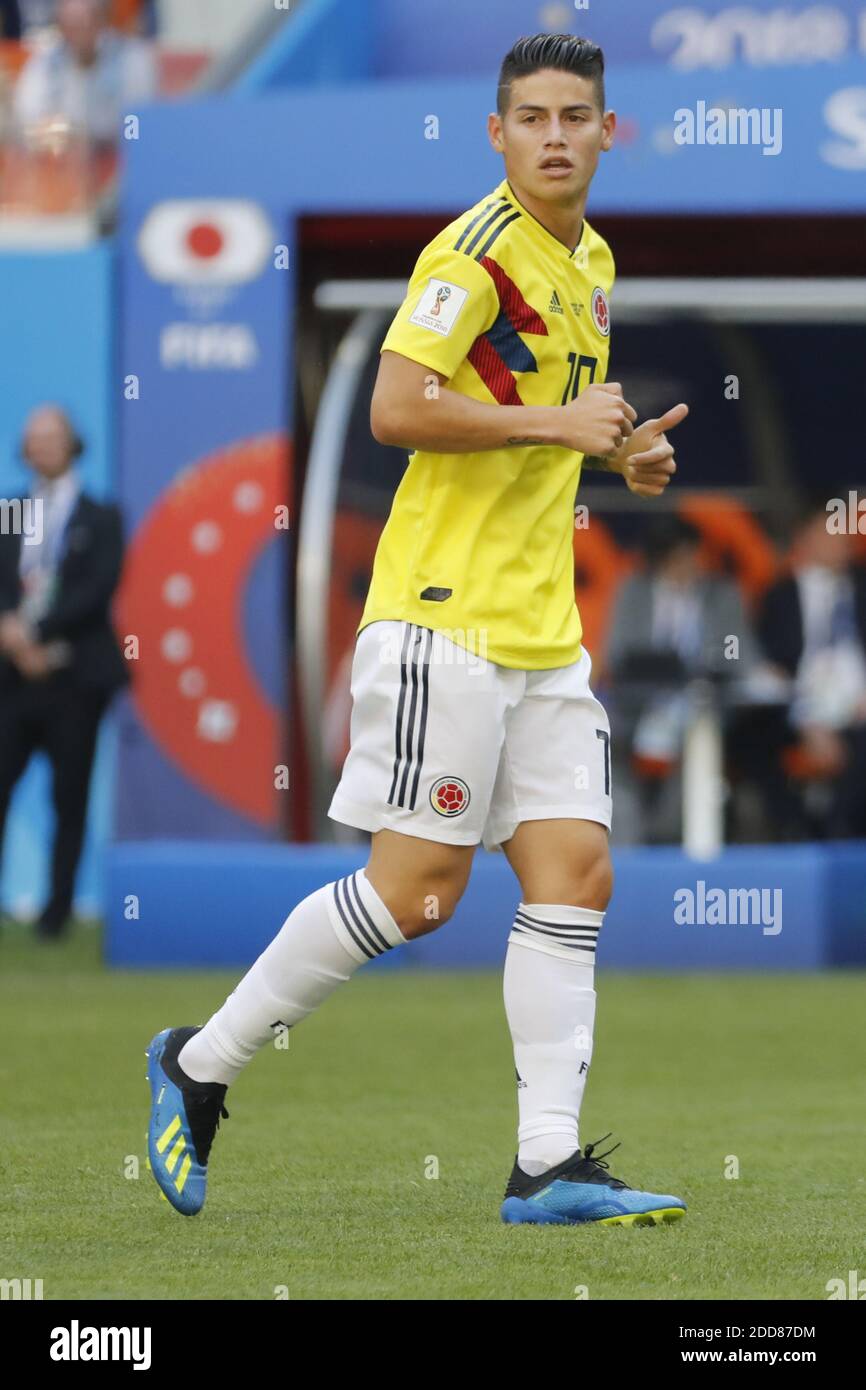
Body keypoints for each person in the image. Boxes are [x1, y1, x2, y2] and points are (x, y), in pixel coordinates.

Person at [145, 34, 690, 1227]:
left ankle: (543, 1164)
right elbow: (398, 407)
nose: (555, 134)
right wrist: (557, 422)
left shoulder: (587, 258)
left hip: (541, 631)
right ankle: (199, 1063)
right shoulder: (474, 251)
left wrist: (625, 454)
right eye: (532, 116)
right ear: (494, 136)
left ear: (609, 133)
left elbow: (551, 432)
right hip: (443, 617)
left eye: (576, 115)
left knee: (574, 871)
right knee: (418, 891)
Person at [0, 404, 129, 936]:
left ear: (72, 444)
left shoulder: (100, 515)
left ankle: (56, 915)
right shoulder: (10, 509)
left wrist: (38, 633)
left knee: (69, 796)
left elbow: (97, 589)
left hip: (74, 680)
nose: (43, 447)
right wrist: (10, 630)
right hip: (10, 680)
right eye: (34, 438)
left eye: (53, 437)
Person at [756, 496, 866, 838]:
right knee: (753, 738)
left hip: (859, 707)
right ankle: (796, 841)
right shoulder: (779, 596)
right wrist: (807, 720)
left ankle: (847, 849)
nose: (841, 538)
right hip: (798, 707)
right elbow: (768, 670)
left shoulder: (861, 588)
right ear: (804, 536)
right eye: (830, 529)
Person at [12, 0, 156, 147]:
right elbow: (27, 120)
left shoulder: (132, 60)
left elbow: (138, 122)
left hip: (118, 158)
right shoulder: (45, 65)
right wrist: (62, 133)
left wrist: (111, 138)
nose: (76, 35)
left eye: (84, 24)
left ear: (102, 21)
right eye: (69, 27)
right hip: (62, 160)